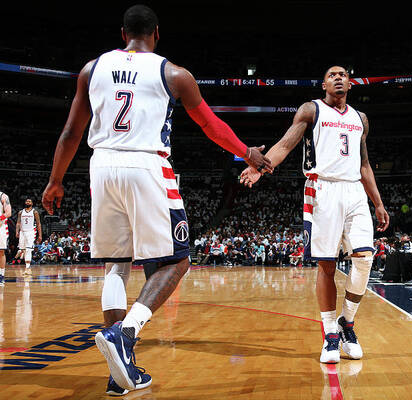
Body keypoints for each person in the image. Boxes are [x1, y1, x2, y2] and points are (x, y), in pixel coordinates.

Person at [41, 5, 272, 395]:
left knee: (116, 266)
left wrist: (55, 181)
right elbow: (210, 126)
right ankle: (125, 336)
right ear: (157, 34)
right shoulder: (174, 73)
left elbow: (69, 134)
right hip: (145, 163)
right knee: (178, 259)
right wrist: (245, 152)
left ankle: (121, 369)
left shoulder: (91, 69)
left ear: (122, 34)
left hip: (101, 166)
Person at [240, 65, 389, 363]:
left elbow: (364, 165)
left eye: (343, 75)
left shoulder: (361, 119)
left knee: (365, 258)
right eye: (332, 75)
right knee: (327, 266)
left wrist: (378, 202)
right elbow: (285, 144)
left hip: (354, 191)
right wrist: (260, 168)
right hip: (322, 190)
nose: (338, 78)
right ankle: (330, 333)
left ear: (350, 83)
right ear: (323, 84)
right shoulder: (311, 110)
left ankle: (347, 322)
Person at [15, 198, 42, 275]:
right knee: (22, 250)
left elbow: (39, 224)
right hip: (22, 232)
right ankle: (27, 266)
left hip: (30, 232)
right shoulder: (21, 212)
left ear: (32, 203)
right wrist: (17, 231)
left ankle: (27, 268)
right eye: (26, 201)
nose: (28, 202)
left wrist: (40, 235)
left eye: (29, 201)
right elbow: (18, 223)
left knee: (28, 249)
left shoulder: (35, 212)